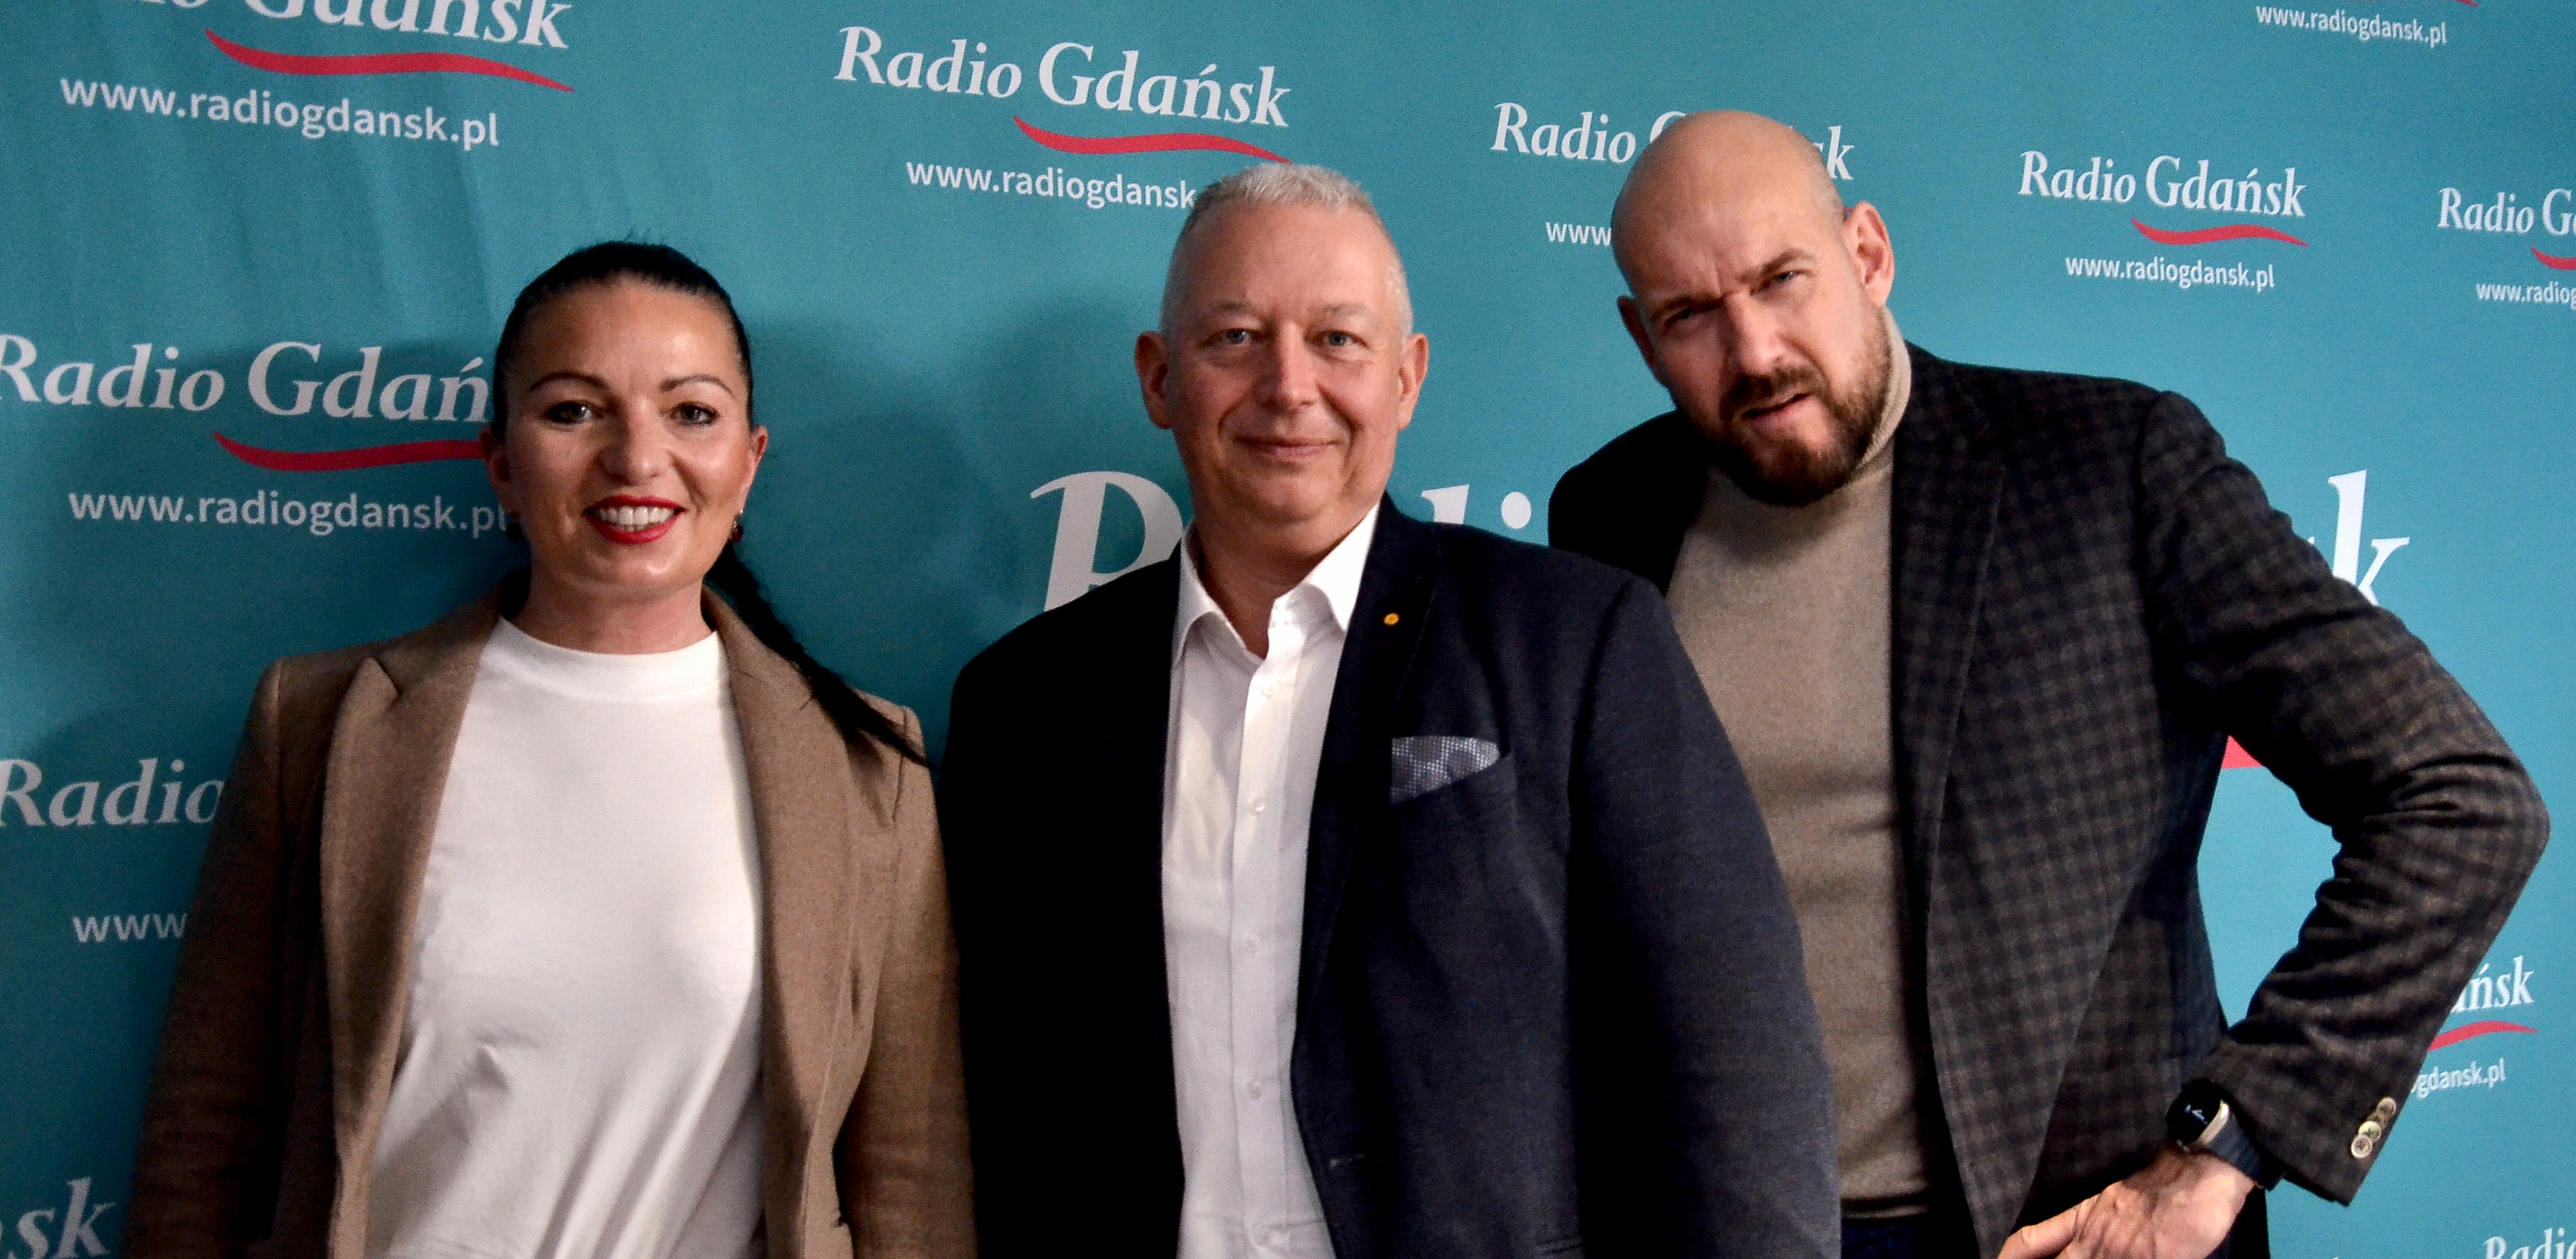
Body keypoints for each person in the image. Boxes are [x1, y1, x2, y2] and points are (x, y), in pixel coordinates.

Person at [1549, 111, 2550, 1259]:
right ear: (1640, 334)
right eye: (1691, 317)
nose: (1758, 350)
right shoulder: (1607, 511)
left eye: (1785, 279)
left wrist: (2230, 1143)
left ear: (1866, 254)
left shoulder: (2113, 467)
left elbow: (2458, 796)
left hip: (2067, 1234)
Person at [938, 161, 1838, 1259]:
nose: (1287, 386)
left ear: (1407, 379)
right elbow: (977, 1102)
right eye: (1233, 338)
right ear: (1159, 378)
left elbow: (1736, 1061)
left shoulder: (1578, 641)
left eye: (1338, 340)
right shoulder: (1024, 705)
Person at [127, 242, 974, 1259]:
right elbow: (206, 1132)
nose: (637, 458)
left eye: (690, 412)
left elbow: (911, 1172)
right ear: (501, 461)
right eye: (574, 410)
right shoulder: (313, 725)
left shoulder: (868, 768)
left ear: (747, 462)